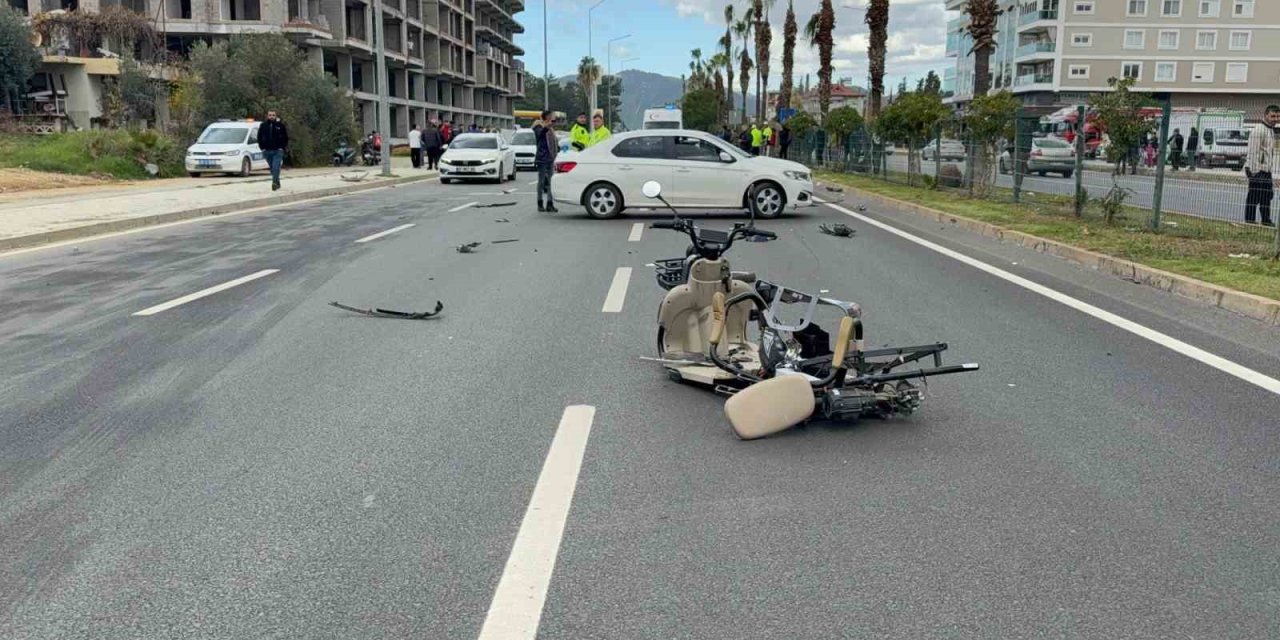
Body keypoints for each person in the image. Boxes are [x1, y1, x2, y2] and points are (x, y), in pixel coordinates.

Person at [1244, 104, 1280, 226]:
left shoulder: (1270, 129)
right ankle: (1249, 221)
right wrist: (1254, 172)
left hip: (1266, 170)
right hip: (1257, 170)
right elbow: (1253, 152)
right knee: (1254, 197)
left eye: (1278, 116)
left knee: (1267, 196)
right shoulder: (1258, 130)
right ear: (1266, 115)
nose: (1276, 119)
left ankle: (1266, 220)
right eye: (1273, 116)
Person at [534, 110, 559, 213]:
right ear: (547, 117)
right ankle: (540, 203)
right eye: (551, 116)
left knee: (550, 182)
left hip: (550, 157)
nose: (552, 118)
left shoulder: (551, 129)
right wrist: (546, 127)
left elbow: (554, 143)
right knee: (541, 182)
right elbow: (540, 135)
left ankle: (550, 204)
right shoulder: (538, 126)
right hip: (542, 157)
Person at [258, 109, 289, 191]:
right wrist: (262, 148)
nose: (271, 116)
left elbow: (285, 138)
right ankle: (277, 182)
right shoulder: (263, 125)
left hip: (277, 151)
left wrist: (282, 147)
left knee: (276, 167)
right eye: (270, 115)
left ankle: (274, 183)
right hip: (267, 151)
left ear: (276, 116)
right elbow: (259, 137)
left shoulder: (280, 126)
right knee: (272, 168)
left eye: (273, 115)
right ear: (267, 116)